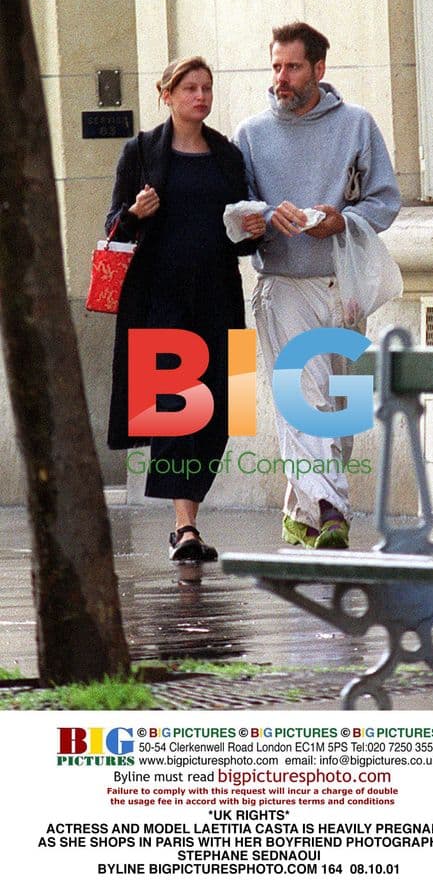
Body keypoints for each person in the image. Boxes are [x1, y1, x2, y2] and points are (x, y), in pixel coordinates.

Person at [234, 22, 401, 550]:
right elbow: (235, 210)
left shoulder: (356, 125)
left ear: (319, 69)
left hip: (344, 283)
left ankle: (302, 512)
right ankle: (331, 509)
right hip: (283, 285)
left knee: (341, 411)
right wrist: (260, 214)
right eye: (276, 66)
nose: (281, 78)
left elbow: (385, 201)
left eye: (293, 67)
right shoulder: (251, 134)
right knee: (299, 401)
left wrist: (341, 221)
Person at [106, 56, 265, 562]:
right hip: (161, 301)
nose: (201, 96)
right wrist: (135, 213)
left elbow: (238, 238)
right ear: (167, 95)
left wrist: (251, 233)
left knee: (221, 413)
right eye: (190, 88)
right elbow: (112, 227)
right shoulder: (141, 153)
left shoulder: (228, 155)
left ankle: (189, 518)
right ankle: (185, 526)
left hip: (220, 298)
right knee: (175, 414)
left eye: (207, 88)